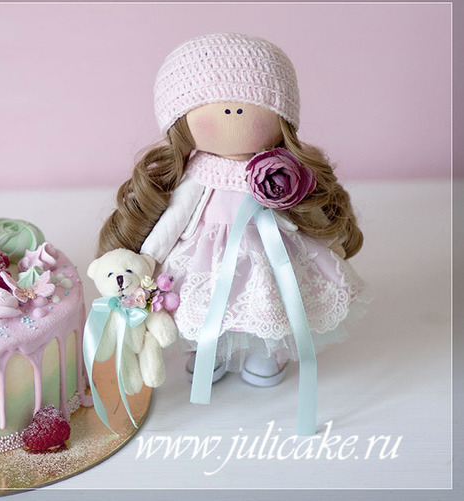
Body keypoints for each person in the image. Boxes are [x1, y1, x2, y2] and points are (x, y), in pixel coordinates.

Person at [97, 33, 371, 388]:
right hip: (204, 257)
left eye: (248, 104)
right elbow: (174, 220)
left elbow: (299, 208)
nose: (233, 113)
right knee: (205, 300)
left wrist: (326, 238)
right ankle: (210, 349)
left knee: (268, 298)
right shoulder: (196, 177)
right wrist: (147, 258)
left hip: (269, 251)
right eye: (216, 105)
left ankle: (268, 351)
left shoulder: (281, 170)